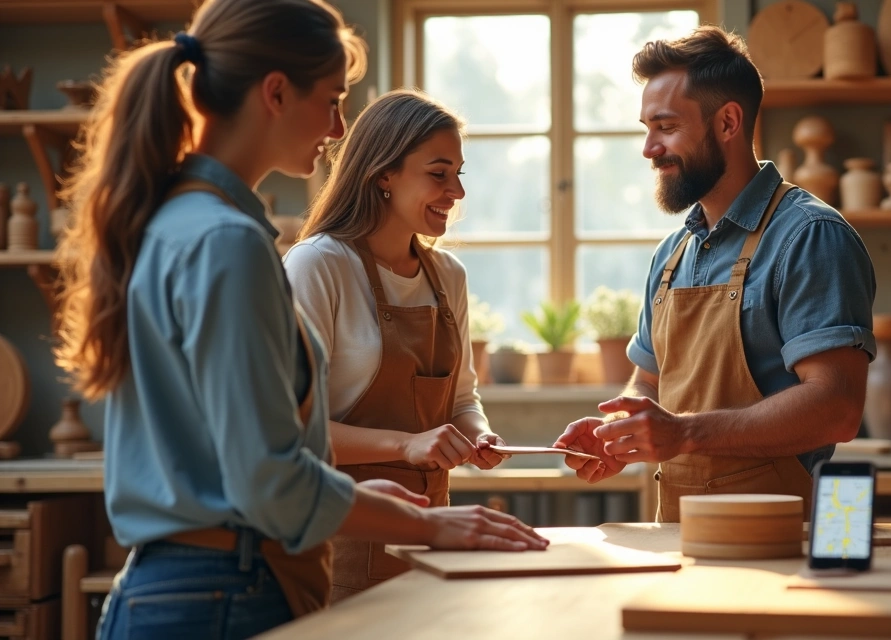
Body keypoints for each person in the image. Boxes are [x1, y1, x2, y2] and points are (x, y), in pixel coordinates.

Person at [53, 1, 546, 637]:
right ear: (276, 93)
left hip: (188, 590)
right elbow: (268, 482)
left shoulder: (177, 222)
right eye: (334, 99)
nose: (340, 127)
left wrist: (368, 502)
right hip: (222, 593)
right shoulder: (227, 242)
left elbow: (246, 456)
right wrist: (427, 523)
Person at [554, 25, 877, 522]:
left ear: (727, 123)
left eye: (664, 127)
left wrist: (684, 432)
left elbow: (837, 407)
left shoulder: (809, 236)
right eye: (646, 127)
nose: (648, 148)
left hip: (785, 542)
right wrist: (617, 431)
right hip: (678, 536)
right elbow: (649, 382)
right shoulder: (671, 254)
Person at [283, 89, 513, 601]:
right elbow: (294, 429)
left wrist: (478, 436)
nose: (456, 191)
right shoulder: (318, 265)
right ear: (384, 173)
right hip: (337, 538)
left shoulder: (447, 275)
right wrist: (407, 445)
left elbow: (461, 399)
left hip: (432, 536)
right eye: (438, 173)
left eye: (459, 173)